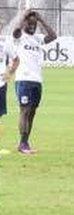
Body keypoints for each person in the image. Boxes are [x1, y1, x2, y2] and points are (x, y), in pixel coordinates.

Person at [4, 10, 57, 154]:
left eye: (34, 24)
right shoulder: (19, 37)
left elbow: (53, 36)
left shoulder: (38, 38)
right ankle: (22, 143)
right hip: (23, 79)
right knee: (25, 110)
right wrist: (23, 17)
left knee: (32, 112)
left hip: (37, 80)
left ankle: (25, 142)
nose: (32, 26)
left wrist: (41, 19)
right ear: (25, 24)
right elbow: (15, 31)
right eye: (30, 23)